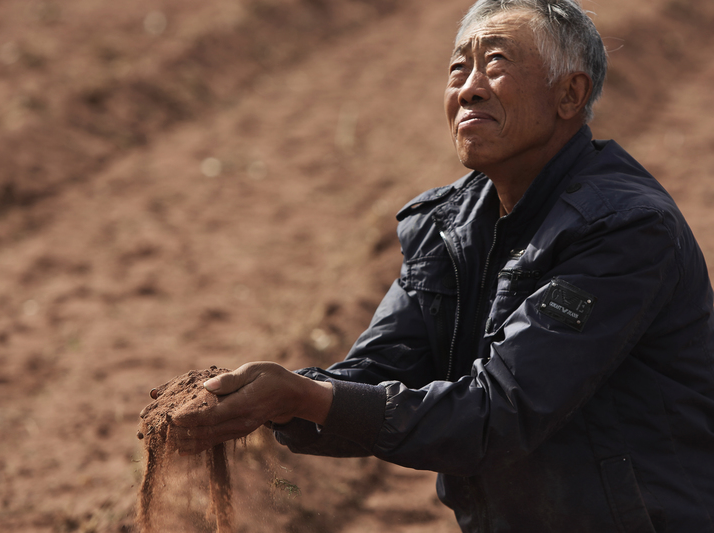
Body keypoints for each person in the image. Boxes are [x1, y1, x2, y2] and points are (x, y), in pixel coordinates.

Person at [143, 0, 714, 531]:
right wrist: (272, 397)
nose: (469, 90)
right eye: (457, 70)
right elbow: (380, 366)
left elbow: (500, 412)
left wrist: (299, 397)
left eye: (495, 64)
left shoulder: (624, 229)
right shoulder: (452, 225)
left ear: (569, 95)